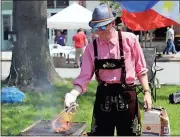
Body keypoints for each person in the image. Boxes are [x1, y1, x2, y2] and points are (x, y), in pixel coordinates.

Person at [64, 4, 152, 136]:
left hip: (127, 96)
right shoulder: (91, 48)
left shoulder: (130, 40)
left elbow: (141, 70)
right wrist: (72, 95)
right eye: (96, 28)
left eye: (103, 26)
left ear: (113, 23)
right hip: (103, 97)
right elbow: (84, 77)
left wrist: (147, 92)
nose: (99, 31)